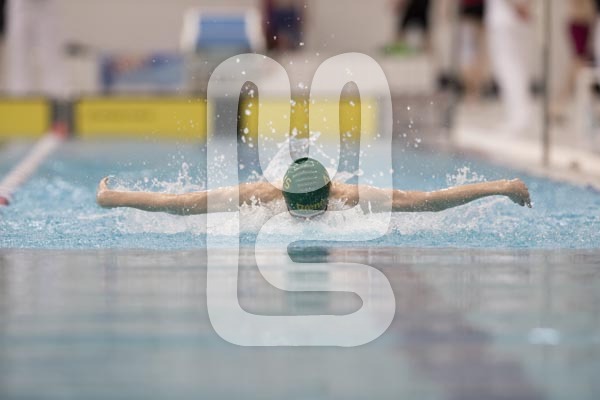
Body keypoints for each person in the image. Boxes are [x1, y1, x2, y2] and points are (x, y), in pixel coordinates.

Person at [96, 157, 532, 217]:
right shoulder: (259, 195)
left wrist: (502, 185)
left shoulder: (350, 197)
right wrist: (112, 197)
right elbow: (180, 202)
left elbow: (430, 202)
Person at [485, 0, 532, 134]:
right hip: (515, 18)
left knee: (509, 69)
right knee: (517, 68)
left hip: (505, 18)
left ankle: (518, 116)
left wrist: (517, 6)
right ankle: (519, 115)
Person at [4, 0, 66, 97]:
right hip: (20, 5)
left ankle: (57, 98)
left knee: (51, 57)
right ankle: (19, 98)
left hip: (47, 5)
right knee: (19, 58)